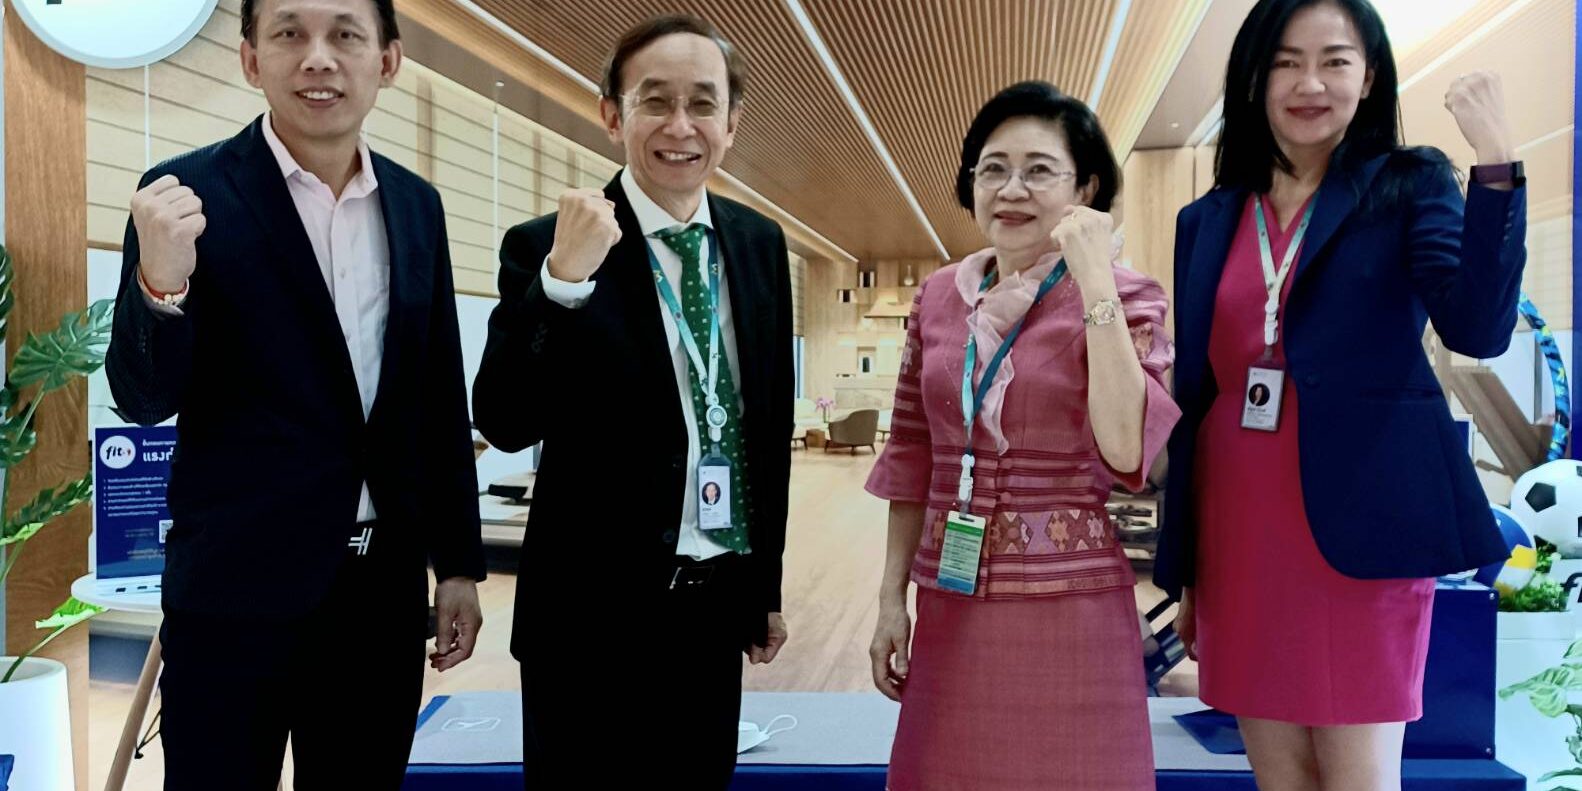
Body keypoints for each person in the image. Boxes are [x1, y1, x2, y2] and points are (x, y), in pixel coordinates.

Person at [105, 0, 485, 788]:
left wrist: (457, 563)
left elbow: (436, 395)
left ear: (387, 61)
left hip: (378, 598)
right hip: (232, 593)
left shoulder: (417, 205)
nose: (318, 57)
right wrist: (160, 283)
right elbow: (143, 398)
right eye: (289, 33)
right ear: (251, 60)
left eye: (345, 34)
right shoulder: (184, 194)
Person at [1155, 1, 1524, 788]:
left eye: (1334, 61)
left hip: (1366, 529)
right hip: (1239, 530)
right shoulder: (1207, 219)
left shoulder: (1407, 185)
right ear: (1253, 78)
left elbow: (1479, 327)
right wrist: (1187, 567)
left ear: (1370, 76)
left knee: (1358, 775)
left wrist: (1496, 161)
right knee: (1280, 776)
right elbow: (1197, 394)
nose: (1309, 83)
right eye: (1285, 62)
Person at [472, 14, 792, 788]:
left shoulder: (757, 244)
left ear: (732, 122)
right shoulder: (547, 244)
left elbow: (767, 427)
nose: (681, 126)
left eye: (703, 103)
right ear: (613, 115)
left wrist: (764, 588)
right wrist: (562, 283)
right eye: (655, 101)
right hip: (587, 625)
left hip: (711, 613)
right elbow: (504, 418)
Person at [865, 81, 1179, 790]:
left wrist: (1095, 278)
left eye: (1039, 170)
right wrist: (890, 598)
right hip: (951, 598)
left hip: (1073, 609)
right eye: (993, 169)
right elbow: (911, 454)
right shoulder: (938, 297)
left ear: (1084, 187)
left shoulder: (1129, 295)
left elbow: (1128, 448)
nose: (1012, 189)